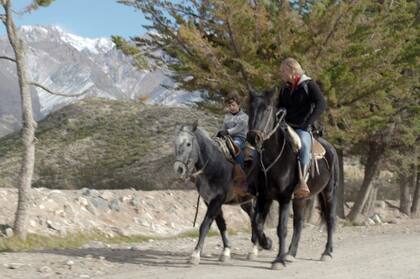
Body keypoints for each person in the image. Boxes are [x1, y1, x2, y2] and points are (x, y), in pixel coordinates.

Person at [277, 58, 326, 198]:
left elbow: (321, 104)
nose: (282, 73)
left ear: (292, 70)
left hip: (301, 128)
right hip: (284, 126)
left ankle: (302, 181)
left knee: (304, 145)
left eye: (283, 71)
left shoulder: (309, 85)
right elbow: (279, 106)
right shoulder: (284, 88)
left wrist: (308, 123)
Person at [217, 91, 249, 169]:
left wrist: (227, 132)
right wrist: (219, 134)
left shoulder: (244, 116)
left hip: (240, 138)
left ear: (238, 104)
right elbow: (223, 128)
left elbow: (238, 128)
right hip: (228, 138)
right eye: (229, 105)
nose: (231, 107)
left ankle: (240, 168)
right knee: (217, 146)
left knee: (234, 146)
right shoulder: (227, 116)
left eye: (233, 105)